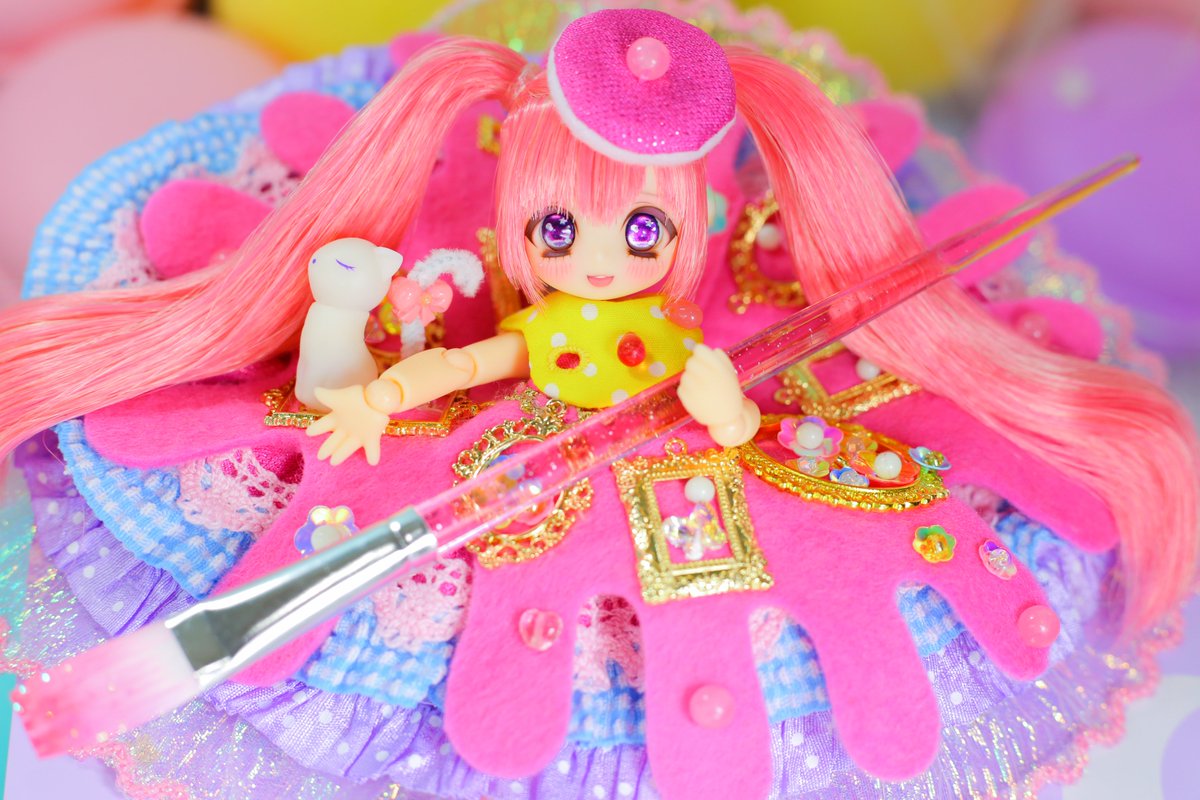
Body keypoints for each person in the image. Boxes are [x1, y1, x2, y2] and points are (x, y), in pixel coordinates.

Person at [0, 6, 1195, 799]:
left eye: (643, 233)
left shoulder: (669, 327)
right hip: (507, 464)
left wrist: (725, 402)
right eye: (560, 231)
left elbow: (720, 406)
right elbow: (477, 362)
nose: (604, 260)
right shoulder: (545, 324)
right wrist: (390, 391)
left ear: (696, 226)